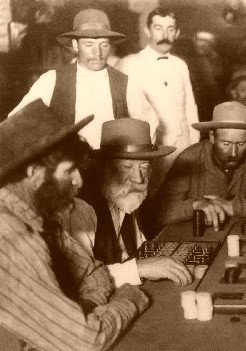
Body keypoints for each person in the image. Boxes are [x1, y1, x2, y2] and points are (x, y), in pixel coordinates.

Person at [0, 99, 149, 351]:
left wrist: (79, 313)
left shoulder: (41, 220)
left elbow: (95, 274)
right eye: (69, 171)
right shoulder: (10, 235)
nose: (78, 182)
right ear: (35, 174)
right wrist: (130, 299)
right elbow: (86, 342)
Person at [61, 119, 192, 288]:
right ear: (104, 167)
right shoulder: (80, 210)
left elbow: (135, 250)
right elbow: (82, 280)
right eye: (127, 167)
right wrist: (138, 269)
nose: (138, 178)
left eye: (144, 167)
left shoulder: (126, 198)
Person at [9, 8, 157, 150]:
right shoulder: (51, 81)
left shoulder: (125, 84)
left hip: (112, 168)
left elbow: (150, 122)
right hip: (70, 171)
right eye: (89, 44)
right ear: (75, 45)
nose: (97, 53)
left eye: (103, 44)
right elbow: (16, 122)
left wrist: (131, 159)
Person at [151, 101, 246, 231]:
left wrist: (232, 207)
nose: (233, 153)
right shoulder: (190, 159)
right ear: (212, 137)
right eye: (226, 144)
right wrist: (194, 205)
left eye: (241, 144)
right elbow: (156, 214)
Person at [116, 7, 199, 193]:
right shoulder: (129, 63)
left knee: (180, 197)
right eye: (158, 28)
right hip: (150, 148)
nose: (165, 34)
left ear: (177, 33)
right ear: (147, 31)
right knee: (148, 199)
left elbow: (190, 109)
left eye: (170, 29)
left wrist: (194, 148)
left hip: (181, 146)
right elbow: (121, 110)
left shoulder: (180, 65)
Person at [187, 31, 225, 124]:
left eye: (204, 44)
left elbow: (221, 78)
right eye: (198, 44)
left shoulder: (217, 60)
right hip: (198, 99)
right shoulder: (190, 61)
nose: (200, 46)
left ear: (211, 45)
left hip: (215, 98)